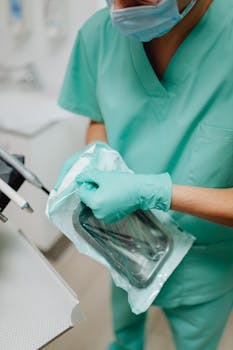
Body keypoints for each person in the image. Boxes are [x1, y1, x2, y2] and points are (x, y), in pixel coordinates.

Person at [55, 0, 233, 349]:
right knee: (125, 337)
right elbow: (98, 114)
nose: (123, 8)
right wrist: (95, 157)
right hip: (123, 245)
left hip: (205, 268)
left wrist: (154, 191)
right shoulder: (99, 34)